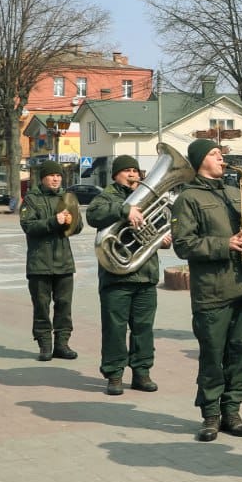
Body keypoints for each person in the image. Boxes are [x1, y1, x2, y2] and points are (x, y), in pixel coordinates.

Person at [171, 139, 242, 443]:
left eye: (221, 154)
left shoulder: (237, 193)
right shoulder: (188, 199)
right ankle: (210, 414)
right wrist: (225, 244)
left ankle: (232, 410)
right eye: (214, 154)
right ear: (199, 162)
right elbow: (183, 245)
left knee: (241, 352)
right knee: (212, 354)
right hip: (213, 290)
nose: (222, 159)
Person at [86, 155, 167, 395]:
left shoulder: (151, 197)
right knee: (115, 328)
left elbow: (162, 224)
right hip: (116, 277)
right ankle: (114, 374)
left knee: (144, 328)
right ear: (115, 175)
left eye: (135, 170)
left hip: (146, 274)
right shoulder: (106, 197)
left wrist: (162, 238)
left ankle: (142, 373)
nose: (133, 174)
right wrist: (124, 210)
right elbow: (93, 215)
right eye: (127, 171)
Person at [20, 160, 84, 361]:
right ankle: (45, 345)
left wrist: (71, 222)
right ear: (43, 178)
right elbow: (28, 226)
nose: (56, 179)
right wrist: (53, 221)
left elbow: (79, 227)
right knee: (41, 305)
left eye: (58, 175)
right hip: (39, 263)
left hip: (64, 262)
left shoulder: (67, 198)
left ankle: (62, 345)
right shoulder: (31, 199)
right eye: (51, 175)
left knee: (64, 305)